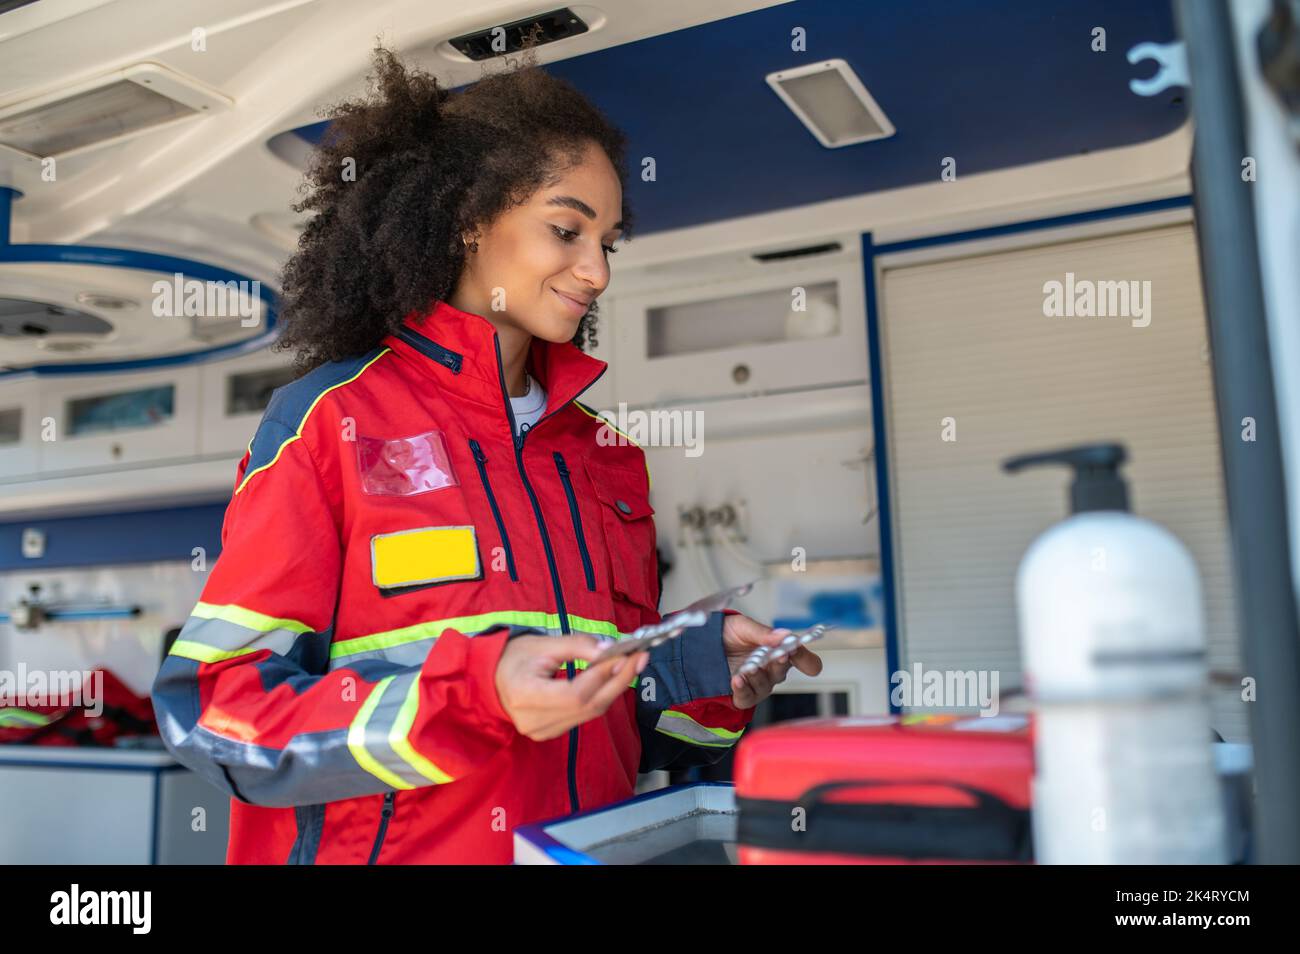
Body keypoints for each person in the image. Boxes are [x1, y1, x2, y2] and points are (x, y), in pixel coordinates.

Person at [151, 44, 822, 864]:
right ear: (468, 218)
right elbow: (217, 715)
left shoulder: (605, 457)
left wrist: (697, 677)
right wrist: (473, 695)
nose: (597, 271)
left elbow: (621, 733)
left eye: (609, 241)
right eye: (567, 230)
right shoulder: (331, 420)